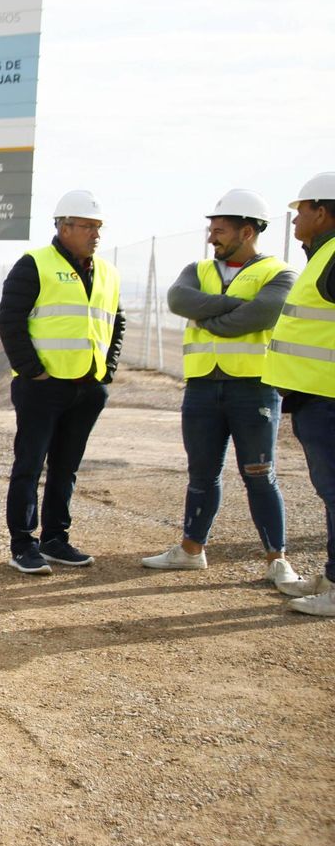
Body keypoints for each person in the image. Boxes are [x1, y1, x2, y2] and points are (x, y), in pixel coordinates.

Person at [144, 190, 300, 583]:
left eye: (219, 230)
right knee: (201, 473)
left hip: (253, 388)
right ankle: (191, 550)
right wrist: (237, 307)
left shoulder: (279, 273)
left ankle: (276, 560)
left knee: (260, 474)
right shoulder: (195, 271)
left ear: (246, 232)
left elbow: (263, 314)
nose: (211, 238)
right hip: (200, 388)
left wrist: (211, 314)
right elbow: (179, 301)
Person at [0, 189, 125, 575]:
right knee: (29, 465)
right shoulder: (34, 264)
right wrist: (34, 370)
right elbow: (10, 320)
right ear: (63, 227)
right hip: (42, 387)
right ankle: (22, 544)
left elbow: (116, 323)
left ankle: (55, 539)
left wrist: (108, 370)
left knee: (66, 467)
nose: (95, 235)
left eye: (98, 227)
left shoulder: (108, 273)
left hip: (88, 386)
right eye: (86, 226)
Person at [265, 172, 335, 616]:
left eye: (301, 211)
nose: (295, 219)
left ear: (322, 212)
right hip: (316, 396)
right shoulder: (323, 254)